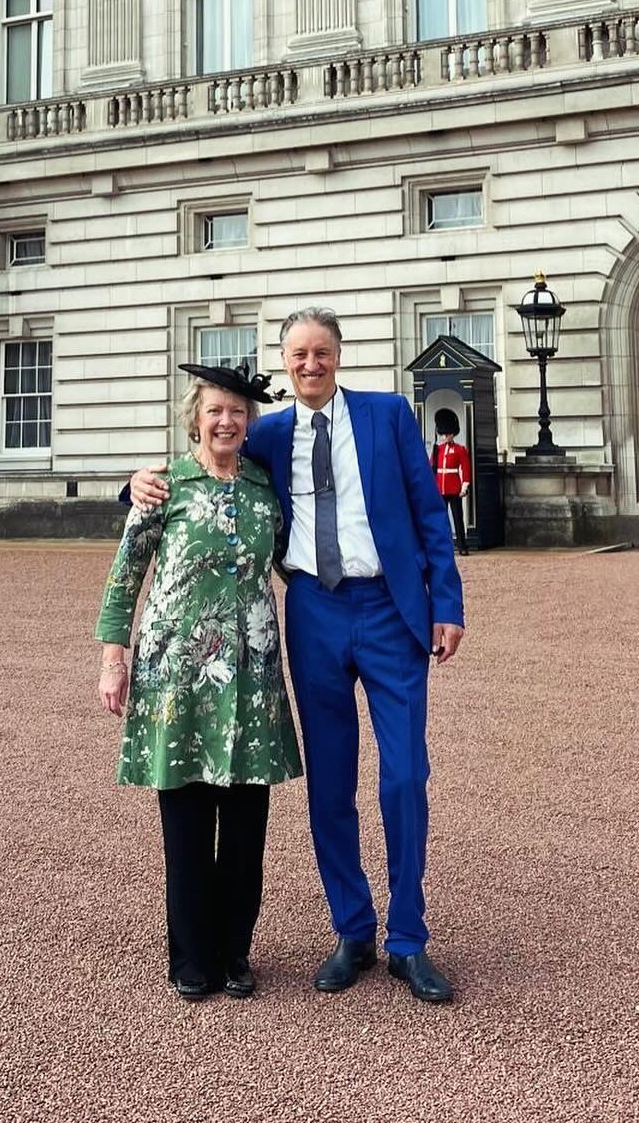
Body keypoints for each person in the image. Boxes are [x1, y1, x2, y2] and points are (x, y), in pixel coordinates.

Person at [131, 305, 465, 1005]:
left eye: (321, 352)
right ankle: (353, 928)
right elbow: (202, 465)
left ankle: (408, 939)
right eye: (298, 355)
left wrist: (447, 604)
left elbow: (430, 513)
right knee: (330, 784)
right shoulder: (268, 432)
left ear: (338, 356)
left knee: (405, 776)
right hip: (314, 610)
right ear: (285, 364)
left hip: (391, 610)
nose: (311, 364)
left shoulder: (388, 415)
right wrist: (131, 487)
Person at [96, 362, 302, 1002]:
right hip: (178, 677)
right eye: (215, 410)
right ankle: (189, 955)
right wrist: (113, 658)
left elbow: (293, 564)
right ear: (195, 418)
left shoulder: (263, 489)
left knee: (244, 829)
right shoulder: (164, 486)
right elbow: (125, 577)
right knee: (186, 826)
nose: (226, 421)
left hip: (251, 674)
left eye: (237, 412)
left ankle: (234, 950)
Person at [432, 408, 472, 556]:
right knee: (441, 519)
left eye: (447, 434)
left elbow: (466, 468)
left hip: (454, 488)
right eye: (443, 434)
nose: (445, 437)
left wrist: (464, 486)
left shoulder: (460, 449)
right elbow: (432, 468)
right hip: (440, 488)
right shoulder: (438, 449)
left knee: (457, 518)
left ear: (452, 434)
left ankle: (462, 546)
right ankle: (442, 546)